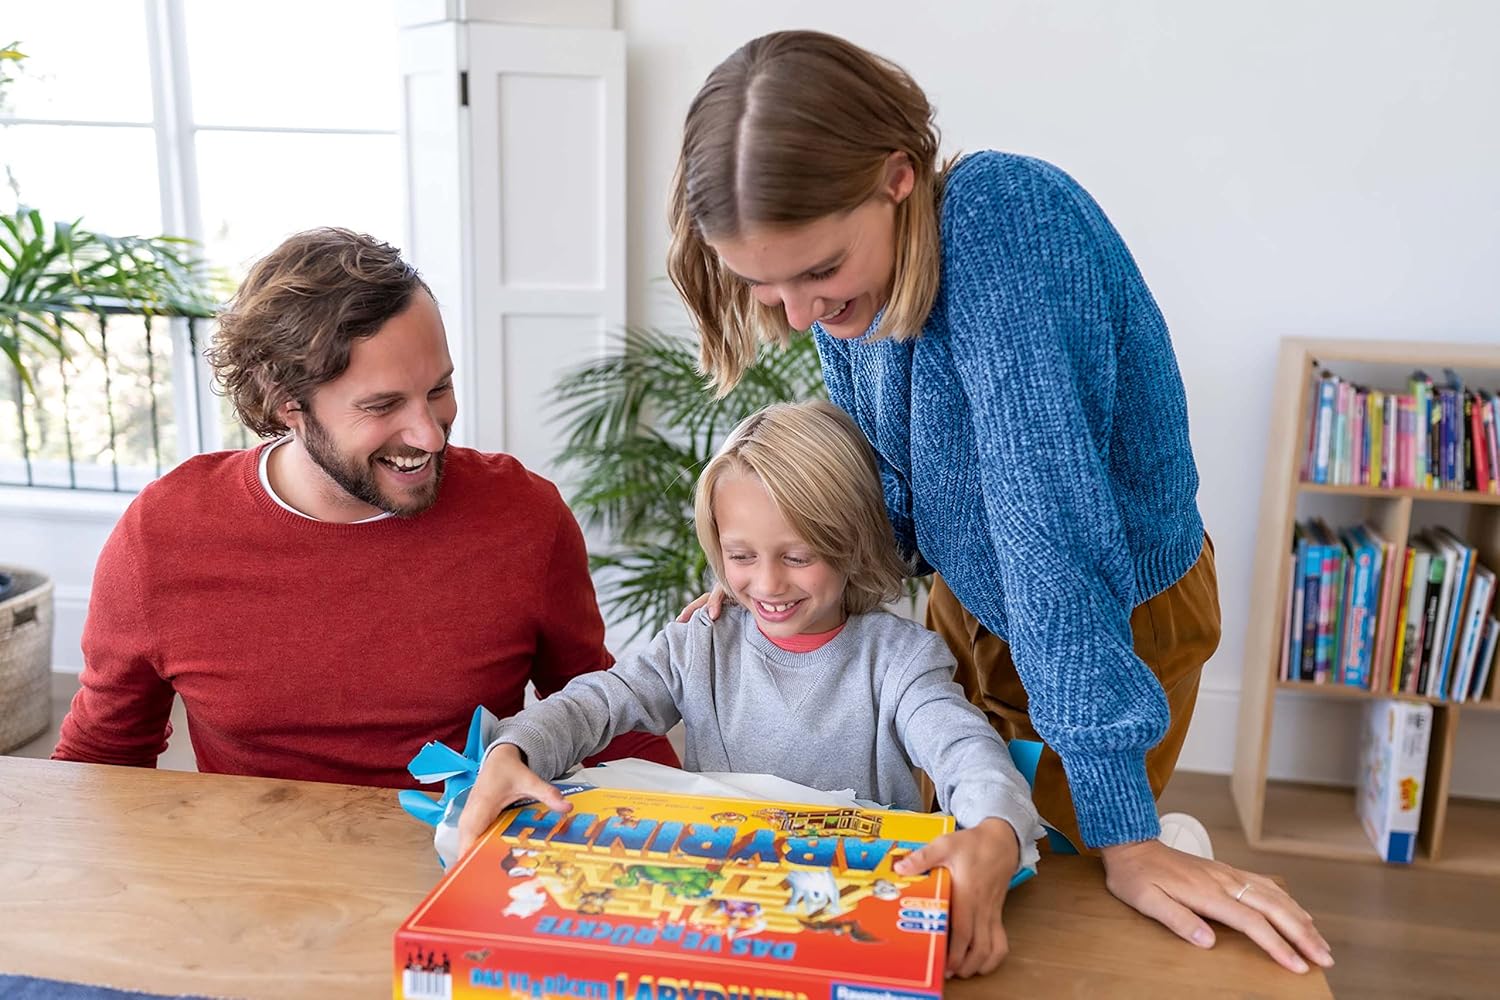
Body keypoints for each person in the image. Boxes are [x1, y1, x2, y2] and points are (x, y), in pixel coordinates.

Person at [665, 31, 1331, 975]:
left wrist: (1125, 828)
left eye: (817, 273)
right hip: (974, 606)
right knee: (968, 876)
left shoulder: (1001, 225)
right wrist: (787, 573)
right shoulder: (856, 293)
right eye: (764, 288)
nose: (800, 315)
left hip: (1108, 615)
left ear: (897, 178)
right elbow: (896, 495)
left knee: (1053, 917)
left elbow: (1047, 529)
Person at [52, 227, 676, 787]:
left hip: (460, 865)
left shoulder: (523, 516)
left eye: (439, 389)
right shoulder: (166, 532)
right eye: (382, 407)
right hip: (252, 884)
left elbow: (604, 714)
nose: (430, 435)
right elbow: (106, 751)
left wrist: (715, 827)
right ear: (284, 404)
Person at [457, 400, 1045, 979]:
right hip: (719, 922)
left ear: (852, 541)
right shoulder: (700, 643)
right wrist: (516, 749)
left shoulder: (900, 661)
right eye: (740, 556)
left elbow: (966, 751)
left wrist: (994, 829)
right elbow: (598, 702)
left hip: (847, 924)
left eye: (798, 556)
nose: (767, 583)